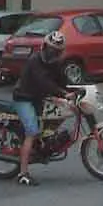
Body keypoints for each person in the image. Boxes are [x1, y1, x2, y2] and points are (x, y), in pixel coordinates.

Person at [11, 30, 71, 187]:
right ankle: (23, 174)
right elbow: (44, 82)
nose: (53, 53)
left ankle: (43, 148)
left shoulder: (55, 63)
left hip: (38, 97)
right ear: (44, 46)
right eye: (51, 49)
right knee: (31, 132)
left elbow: (62, 80)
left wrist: (76, 88)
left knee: (51, 120)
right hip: (24, 98)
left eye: (56, 51)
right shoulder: (34, 61)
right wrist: (63, 93)